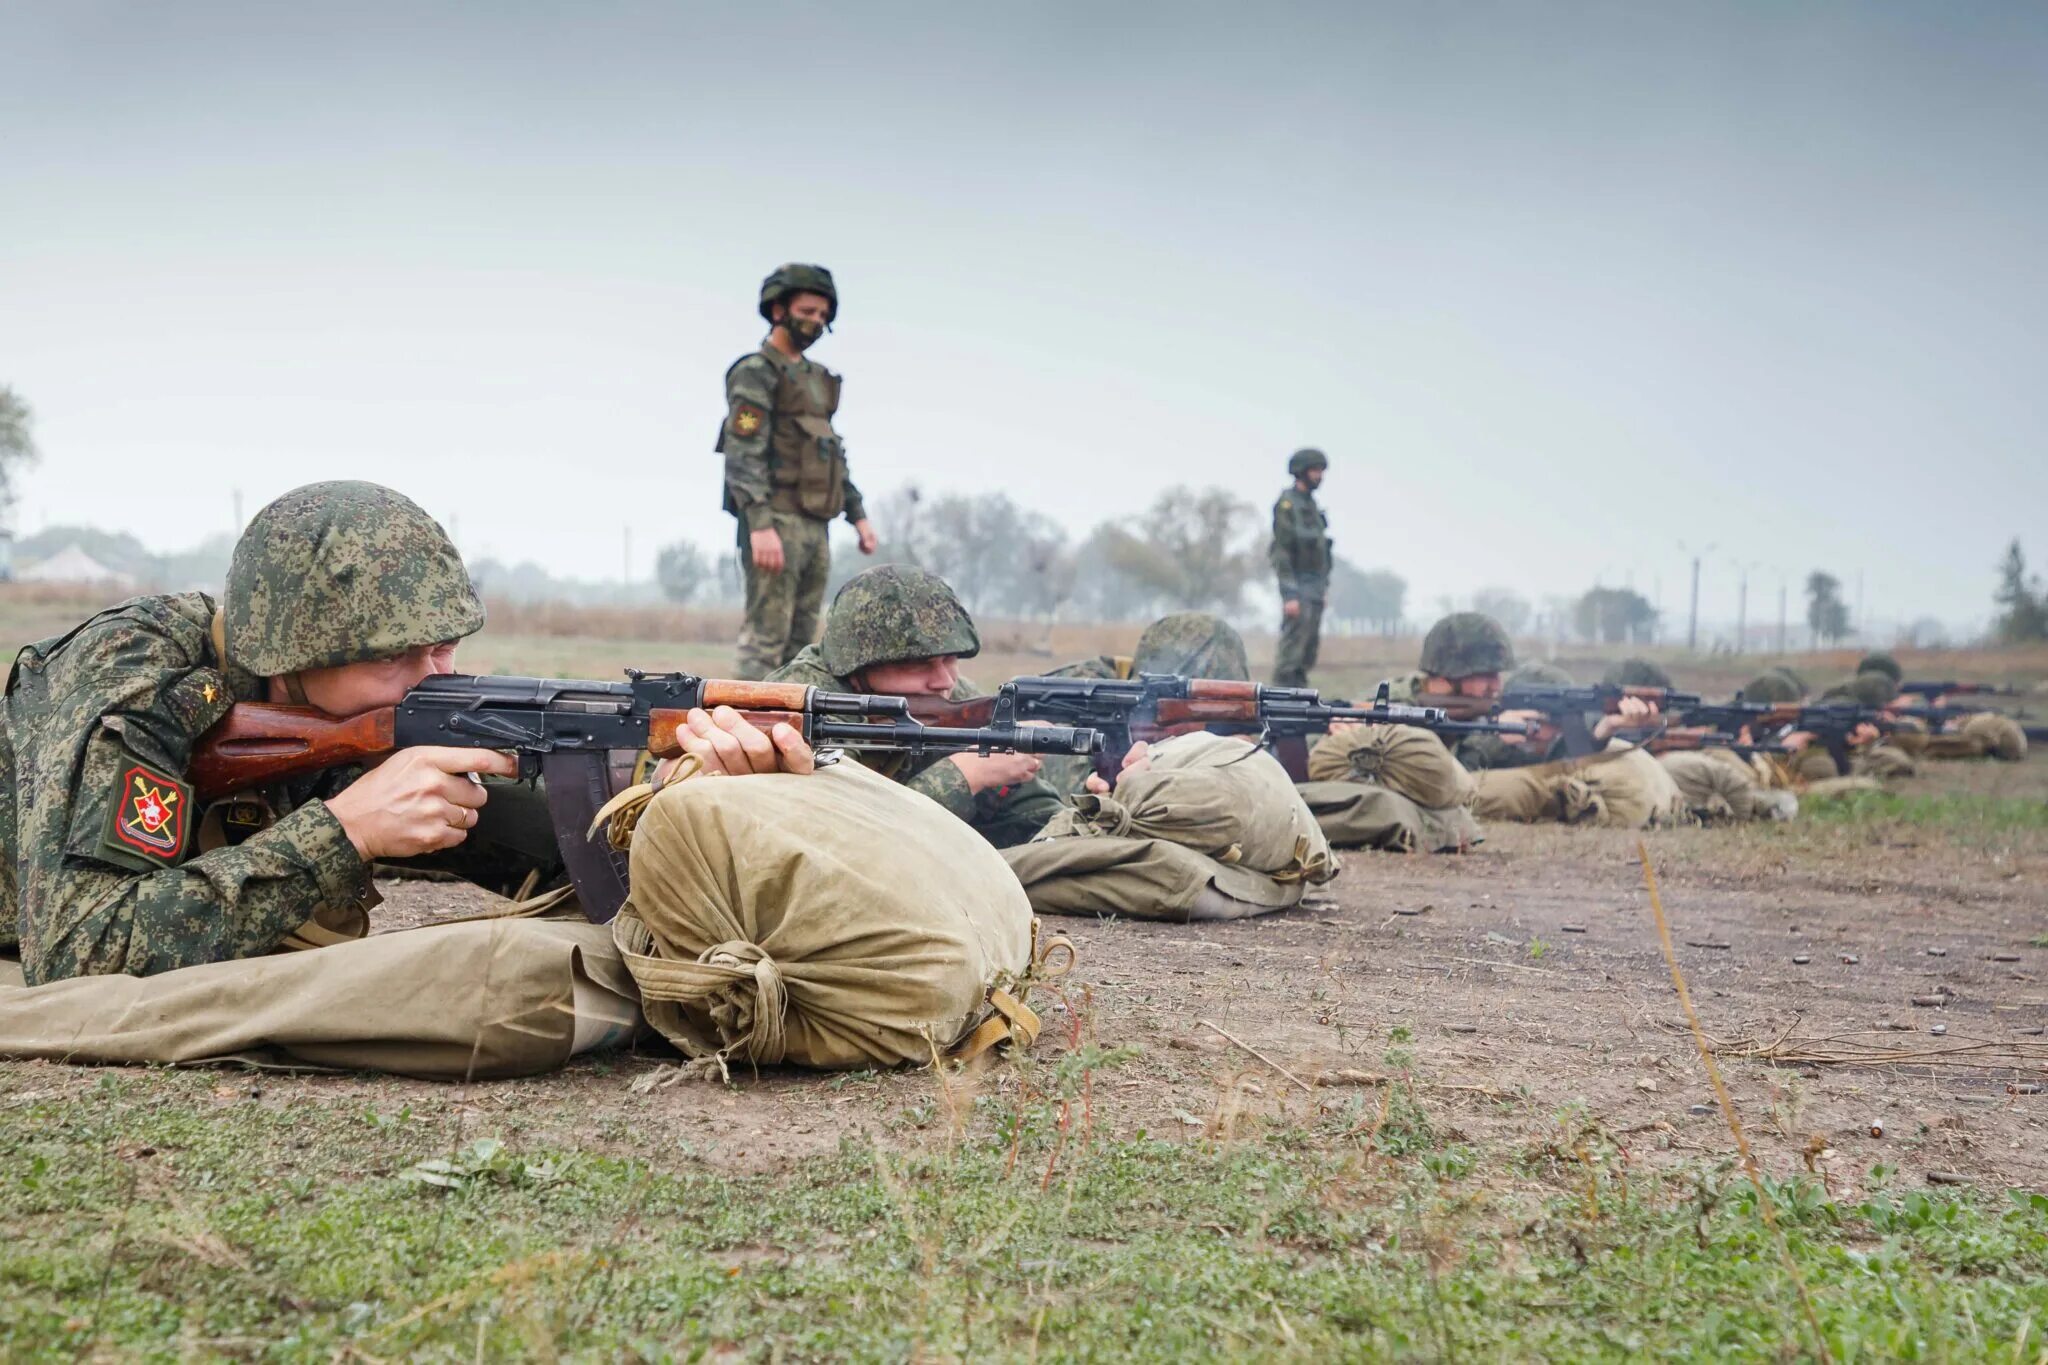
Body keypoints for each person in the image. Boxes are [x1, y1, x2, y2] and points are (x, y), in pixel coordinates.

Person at [1, 481, 811, 985]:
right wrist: (346, 829)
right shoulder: (138, 684)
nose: (437, 673)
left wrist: (675, 791)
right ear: (293, 654)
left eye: (446, 642)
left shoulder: (361, 711)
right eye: (399, 655)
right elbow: (77, 949)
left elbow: (568, 856)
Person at [766, 565, 1076, 847]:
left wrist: (1068, 832)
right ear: (860, 665)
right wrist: (966, 774)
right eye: (920, 665)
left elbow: (1033, 816)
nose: (944, 680)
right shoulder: (803, 704)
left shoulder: (952, 702)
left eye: (950, 659)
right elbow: (845, 838)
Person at [721, 262, 879, 680]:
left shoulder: (817, 379)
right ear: (778, 310)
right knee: (765, 639)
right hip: (775, 520)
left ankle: (789, 733)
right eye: (807, 311)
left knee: (804, 644)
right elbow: (743, 452)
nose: (815, 322)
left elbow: (830, 449)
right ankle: (740, 731)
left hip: (815, 524)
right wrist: (759, 525)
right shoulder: (756, 372)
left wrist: (858, 514)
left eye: (822, 316)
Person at [1269, 447, 1332, 688]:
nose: (1320, 476)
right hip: (1297, 585)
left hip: (1315, 586)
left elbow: (1322, 552)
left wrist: (1323, 588)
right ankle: (1281, 701)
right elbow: (1282, 552)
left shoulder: (1312, 507)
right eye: (1316, 470)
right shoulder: (1287, 505)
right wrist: (1290, 595)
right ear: (1301, 471)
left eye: (1321, 471)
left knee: (1308, 651)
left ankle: (1300, 696)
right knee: (1291, 653)